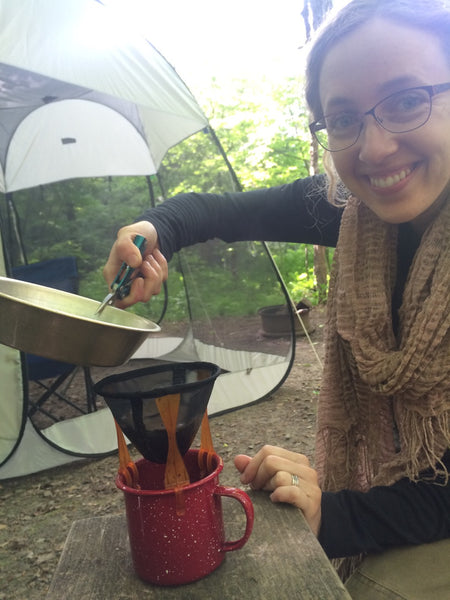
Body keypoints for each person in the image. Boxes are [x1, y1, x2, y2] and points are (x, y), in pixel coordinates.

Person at [104, 0, 449, 594]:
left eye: (405, 101)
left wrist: (333, 516)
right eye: (343, 119)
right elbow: (219, 211)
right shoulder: (352, 208)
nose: (374, 149)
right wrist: (149, 231)